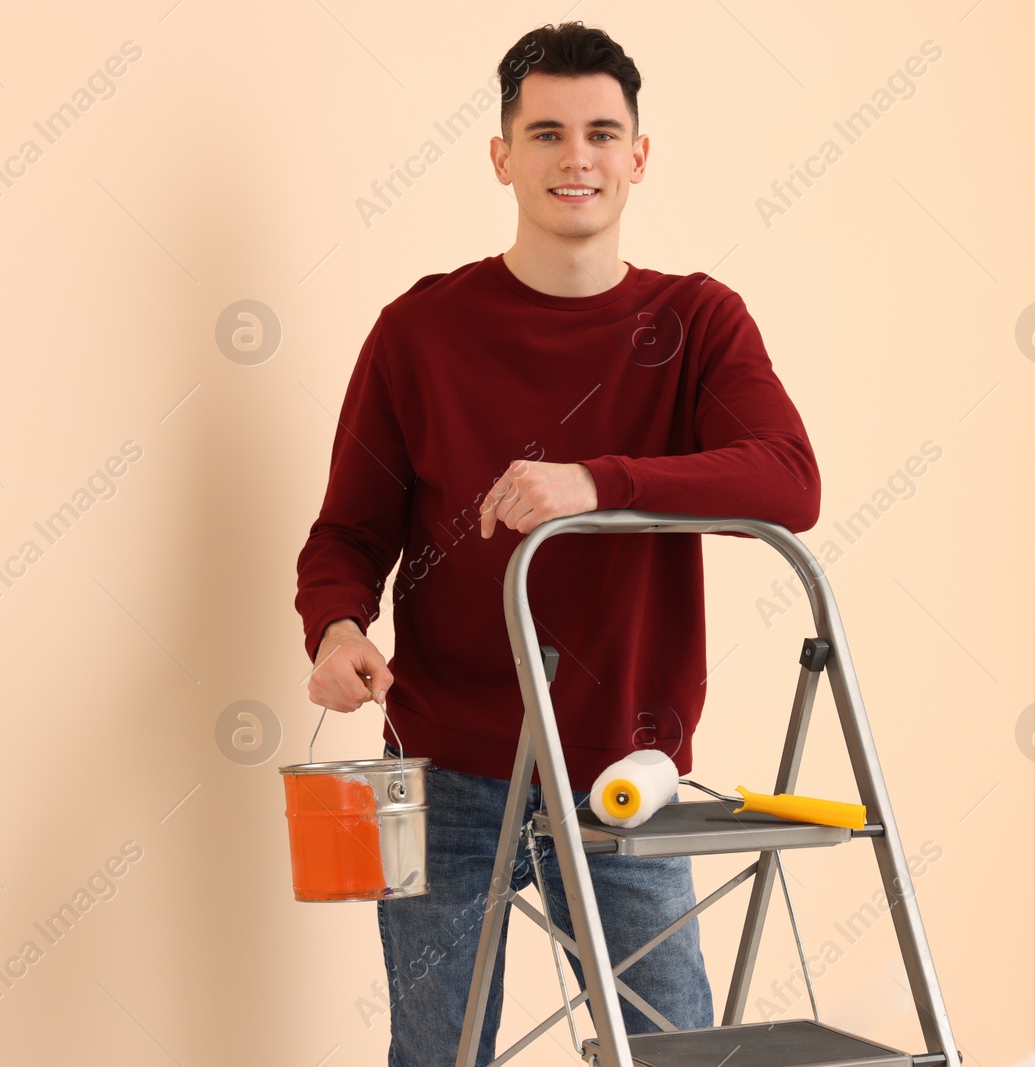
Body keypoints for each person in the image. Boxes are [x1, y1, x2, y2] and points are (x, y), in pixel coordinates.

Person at [294, 21, 822, 1067]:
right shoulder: (419, 330)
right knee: (436, 1056)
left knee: (672, 1052)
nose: (573, 157)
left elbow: (787, 479)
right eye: (544, 133)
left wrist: (593, 481)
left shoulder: (697, 320)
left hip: (625, 766)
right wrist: (337, 624)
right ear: (501, 157)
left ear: (637, 155)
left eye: (598, 132)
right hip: (443, 765)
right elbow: (347, 531)